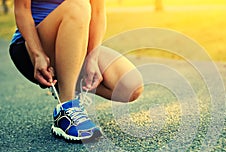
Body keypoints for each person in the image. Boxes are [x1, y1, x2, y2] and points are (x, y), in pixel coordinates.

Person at [9, 0, 144, 141]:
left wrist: (92, 58)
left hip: (75, 42)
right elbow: (22, 10)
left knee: (130, 86)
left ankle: (69, 85)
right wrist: (38, 54)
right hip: (32, 47)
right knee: (78, 5)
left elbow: (97, 13)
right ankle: (67, 107)